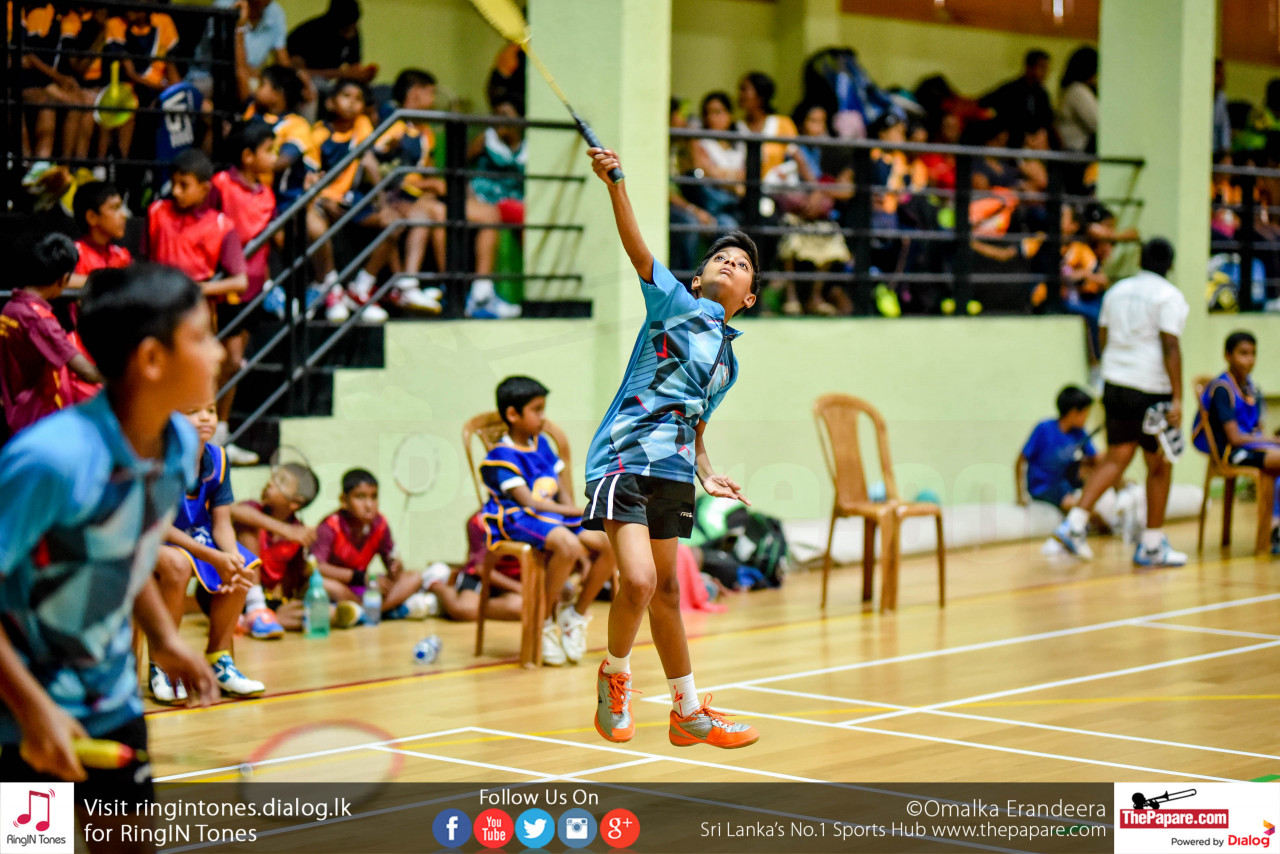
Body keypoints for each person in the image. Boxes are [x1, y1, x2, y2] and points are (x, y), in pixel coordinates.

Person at [0, 264, 218, 840]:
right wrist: (32, 710)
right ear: (152, 359)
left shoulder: (178, 447)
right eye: (202, 337)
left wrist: (166, 639)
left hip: (111, 700)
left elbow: (125, 550)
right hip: (21, 710)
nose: (219, 353)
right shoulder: (50, 460)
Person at [580, 144, 761, 749]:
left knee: (666, 592)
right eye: (720, 258)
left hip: (675, 472)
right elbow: (637, 248)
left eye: (741, 264)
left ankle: (686, 710)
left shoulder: (729, 362)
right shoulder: (673, 303)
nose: (730, 263)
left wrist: (707, 472)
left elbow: (697, 424)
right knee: (635, 582)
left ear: (749, 297)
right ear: (697, 279)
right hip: (623, 457)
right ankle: (615, 674)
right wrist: (616, 184)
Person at [1055, 238, 1189, 567]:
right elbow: (1170, 345)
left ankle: (1074, 524)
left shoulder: (1116, 291)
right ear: (1171, 265)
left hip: (1114, 383)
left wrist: (1112, 369)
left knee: (1117, 456)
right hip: (1150, 387)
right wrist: (1177, 397)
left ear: (1140, 260)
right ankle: (1152, 545)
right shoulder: (1169, 296)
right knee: (1160, 465)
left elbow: (1102, 336)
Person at [478, 376, 616, 665]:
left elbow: (562, 492)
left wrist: (580, 513)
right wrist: (578, 512)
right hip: (516, 517)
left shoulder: (541, 445)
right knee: (567, 545)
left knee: (611, 541)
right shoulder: (499, 455)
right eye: (537, 410)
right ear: (513, 414)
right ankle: (543, 621)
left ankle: (574, 615)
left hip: (551, 516)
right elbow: (528, 503)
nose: (543, 417)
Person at [145, 148, 256, 466]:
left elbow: (239, 281)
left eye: (185, 185)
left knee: (207, 374)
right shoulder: (156, 212)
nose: (176, 191)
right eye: (174, 183)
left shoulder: (221, 225)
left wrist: (196, 288)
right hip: (158, 312)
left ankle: (212, 441)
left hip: (197, 315)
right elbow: (147, 259)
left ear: (205, 188)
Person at [152, 397, 264, 702]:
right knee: (177, 566)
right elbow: (159, 526)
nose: (205, 418)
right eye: (193, 411)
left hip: (195, 536)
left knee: (243, 564)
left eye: (211, 411)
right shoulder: (158, 457)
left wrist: (230, 556)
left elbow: (222, 523)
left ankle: (219, 658)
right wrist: (213, 556)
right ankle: (163, 662)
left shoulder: (219, 458)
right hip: (152, 537)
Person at [308, 78, 396, 323]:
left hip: (352, 198)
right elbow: (312, 176)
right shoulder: (319, 134)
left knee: (393, 224)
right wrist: (323, 200)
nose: (352, 104)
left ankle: (361, 288)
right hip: (324, 199)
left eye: (358, 99)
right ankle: (331, 288)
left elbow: (369, 162)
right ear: (331, 102)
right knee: (315, 227)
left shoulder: (362, 124)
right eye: (346, 96)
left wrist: (382, 203)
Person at [0, 233, 104, 436]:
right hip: (39, 421)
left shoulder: (9, 308)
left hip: (16, 417)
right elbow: (88, 373)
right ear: (64, 279)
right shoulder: (40, 321)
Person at [1191, 331, 1280, 550]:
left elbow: (1256, 429)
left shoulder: (1252, 388)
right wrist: (1271, 440)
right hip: (1231, 452)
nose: (1249, 360)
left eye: (1253, 354)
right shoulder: (1222, 388)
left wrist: (1268, 440)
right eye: (1243, 353)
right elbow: (1235, 437)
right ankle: (1273, 528)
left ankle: (1275, 525)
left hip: (1250, 447)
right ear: (1228, 356)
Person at [312, 469, 430, 620]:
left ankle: (364, 613)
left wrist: (397, 568)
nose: (369, 505)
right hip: (342, 587)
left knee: (414, 577)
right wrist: (361, 578)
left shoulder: (380, 524)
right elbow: (316, 567)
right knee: (325, 585)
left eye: (374, 497)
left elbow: (391, 567)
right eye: (360, 497)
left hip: (365, 589)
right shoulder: (330, 526)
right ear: (344, 500)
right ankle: (382, 611)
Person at [232, 460, 328, 635]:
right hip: (232, 592)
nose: (270, 483)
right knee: (248, 527)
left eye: (281, 482)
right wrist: (284, 529)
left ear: (295, 502)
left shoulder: (298, 532)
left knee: (316, 613)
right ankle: (255, 608)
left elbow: (293, 578)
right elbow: (232, 511)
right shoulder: (253, 510)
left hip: (267, 598)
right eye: (273, 478)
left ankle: (250, 621)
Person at [1017, 386, 1099, 512]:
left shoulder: (1079, 433)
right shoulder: (1044, 429)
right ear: (1073, 413)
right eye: (1085, 412)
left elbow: (1096, 459)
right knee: (1079, 506)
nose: (1087, 417)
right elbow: (1020, 460)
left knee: (1089, 467)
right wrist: (1020, 495)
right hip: (1043, 488)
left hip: (1065, 485)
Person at [286, 0, 376, 85]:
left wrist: (362, 75)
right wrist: (341, 73)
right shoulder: (304, 35)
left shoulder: (353, 32)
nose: (350, 35)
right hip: (304, 83)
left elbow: (354, 66)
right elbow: (297, 74)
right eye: (346, 30)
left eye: (354, 28)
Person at [979, 50, 1056, 147]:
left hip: (1034, 144)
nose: (1045, 73)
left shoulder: (1042, 94)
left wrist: (1040, 135)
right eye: (1042, 67)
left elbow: (1047, 120)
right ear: (1029, 67)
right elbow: (984, 105)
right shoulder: (1010, 90)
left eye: (1046, 69)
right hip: (1011, 143)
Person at [1056, 47, 1098, 153]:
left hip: (1073, 148)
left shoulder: (1069, 89)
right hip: (1077, 150)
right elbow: (1098, 124)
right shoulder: (1078, 91)